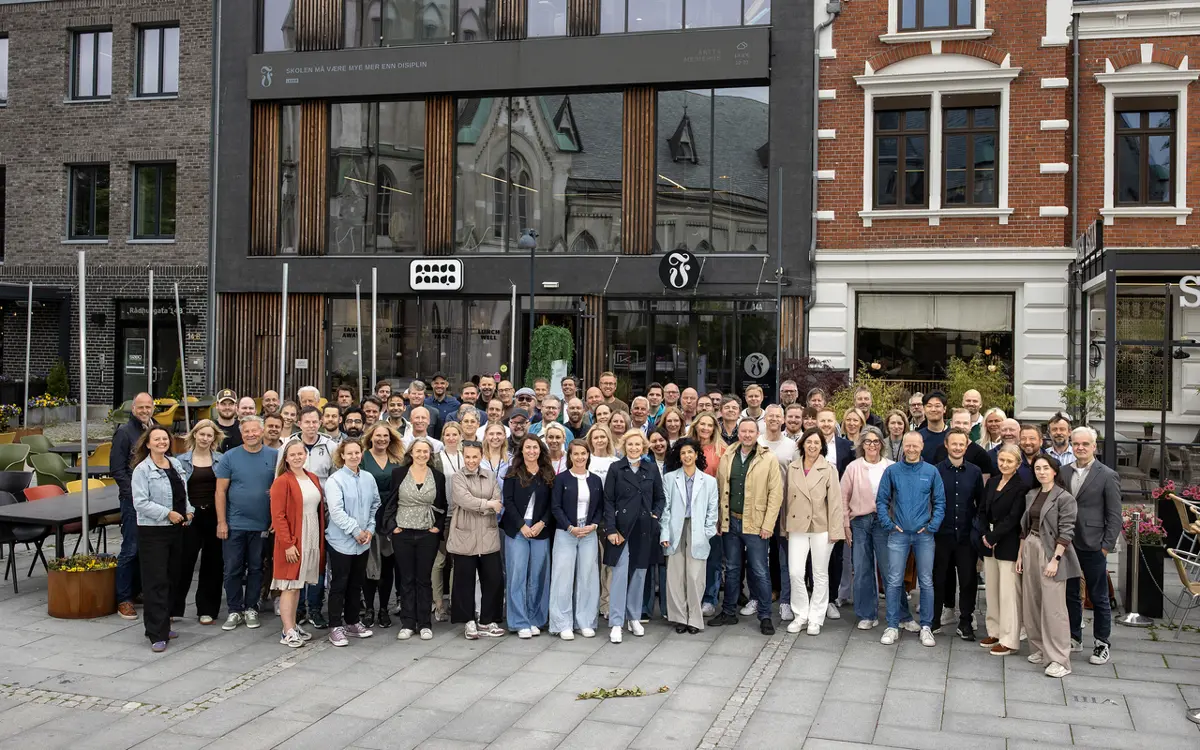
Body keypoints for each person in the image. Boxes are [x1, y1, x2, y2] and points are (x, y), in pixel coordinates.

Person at [709, 419, 783, 635]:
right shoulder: (728, 455)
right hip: (731, 521)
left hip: (756, 523)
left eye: (751, 431)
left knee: (759, 570)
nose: (747, 435)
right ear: (738, 433)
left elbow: (775, 494)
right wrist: (719, 520)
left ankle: (765, 615)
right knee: (731, 569)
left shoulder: (768, 458)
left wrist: (768, 524)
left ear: (757, 433)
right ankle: (729, 612)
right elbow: (720, 487)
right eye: (744, 431)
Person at [876, 431, 945, 647]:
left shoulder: (931, 471)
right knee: (894, 580)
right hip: (898, 534)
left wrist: (932, 526)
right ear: (903, 446)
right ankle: (892, 625)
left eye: (916, 445)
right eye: (908, 446)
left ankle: (926, 626)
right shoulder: (892, 471)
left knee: (926, 581)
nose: (912, 449)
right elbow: (881, 501)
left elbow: (940, 502)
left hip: (924, 535)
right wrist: (888, 524)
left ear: (922, 446)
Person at [1060, 426, 1121, 665]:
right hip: (1067, 543)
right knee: (1071, 594)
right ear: (1071, 445)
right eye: (1076, 444)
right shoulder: (1063, 472)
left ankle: (1102, 643)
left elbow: (1115, 515)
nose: (1081, 448)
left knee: (1099, 596)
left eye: (1085, 444)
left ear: (1094, 447)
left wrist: (1106, 546)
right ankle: (1075, 637)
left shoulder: (1107, 475)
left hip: (1094, 545)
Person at [1018, 455, 1082, 678]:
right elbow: (1024, 529)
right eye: (1037, 468)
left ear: (1055, 471)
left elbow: (1066, 532)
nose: (1042, 472)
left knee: (1054, 607)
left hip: (1051, 551)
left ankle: (1059, 659)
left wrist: (1055, 559)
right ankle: (1039, 648)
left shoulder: (1064, 498)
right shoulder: (1032, 495)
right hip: (1031, 547)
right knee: (1032, 601)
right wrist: (1020, 556)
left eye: (1046, 468)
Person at [130, 425, 192, 652]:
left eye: (164, 439)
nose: (161, 442)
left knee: (171, 578)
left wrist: (189, 509)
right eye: (156, 439)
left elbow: (183, 494)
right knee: (155, 582)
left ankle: (164, 625)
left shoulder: (175, 464)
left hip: (176, 529)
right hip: (153, 531)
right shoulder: (142, 470)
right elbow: (140, 503)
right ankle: (156, 633)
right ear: (147, 443)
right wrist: (167, 513)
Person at [277, 406, 339, 628]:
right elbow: (278, 477)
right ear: (299, 423)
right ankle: (297, 612)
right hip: (295, 514)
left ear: (320, 422)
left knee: (317, 562)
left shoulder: (331, 446)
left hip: (320, 512)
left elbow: (335, 479)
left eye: (315, 421)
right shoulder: (288, 445)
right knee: (295, 566)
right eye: (307, 422)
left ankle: (314, 607)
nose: (311, 426)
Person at [215, 416, 278, 631]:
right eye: (246, 431)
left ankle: (251, 608)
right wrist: (222, 522)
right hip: (234, 524)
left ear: (262, 431)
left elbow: (281, 488)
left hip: (262, 525)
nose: (251, 434)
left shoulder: (275, 456)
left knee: (257, 568)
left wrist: (276, 519)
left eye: (254, 430)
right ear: (241, 434)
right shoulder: (230, 457)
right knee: (232, 568)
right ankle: (234, 609)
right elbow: (220, 491)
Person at [384, 437, 449, 641]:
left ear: (430, 455)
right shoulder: (399, 473)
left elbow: (442, 504)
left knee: (424, 579)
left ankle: (424, 623)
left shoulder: (438, 476)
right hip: (402, 532)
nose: (422, 455)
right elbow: (390, 501)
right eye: (418, 451)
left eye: (426, 451)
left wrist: (437, 527)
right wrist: (392, 527)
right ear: (411, 453)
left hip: (426, 533)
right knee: (406, 579)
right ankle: (407, 623)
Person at [603, 430, 665, 643]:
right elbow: (608, 501)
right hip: (622, 529)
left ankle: (634, 617)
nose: (634, 448)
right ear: (623, 446)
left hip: (644, 528)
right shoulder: (615, 469)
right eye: (630, 445)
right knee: (620, 575)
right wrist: (610, 530)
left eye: (638, 445)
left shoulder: (651, 468)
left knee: (639, 575)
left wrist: (655, 515)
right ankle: (617, 622)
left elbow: (660, 497)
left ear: (644, 447)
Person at [840, 425, 904, 630]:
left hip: (885, 523)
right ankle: (867, 614)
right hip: (859, 522)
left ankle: (902, 615)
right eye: (868, 442)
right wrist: (845, 525)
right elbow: (843, 498)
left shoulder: (891, 467)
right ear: (862, 445)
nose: (872, 445)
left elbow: (899, 497)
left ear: (881, 445)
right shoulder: (853, 467)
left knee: (890, 569)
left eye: (876, 441)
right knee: (861, 569)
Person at [785, 427, 845, 636]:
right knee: (795, 572)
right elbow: (786, 500)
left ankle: (816, 618)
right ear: (802, 444)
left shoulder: (829, 469)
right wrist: (786, 527)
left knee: (820, 574)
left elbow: (836, 503)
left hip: (821, 527)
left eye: (816, 443)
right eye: (808, 442)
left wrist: (836, 530)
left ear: (822, 447)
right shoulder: (792, 468)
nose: (812, 446)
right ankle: (800, 613)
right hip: (797, 526)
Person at [323, 440, 380, 647]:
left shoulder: (368, 478)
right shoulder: (335, 480)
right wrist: (355, 530)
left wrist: (370, 530)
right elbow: (336, 511)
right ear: (343, 455)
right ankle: (335, 626)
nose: (354, 456)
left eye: (357, 452)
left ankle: (352, 621)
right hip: (341, 542)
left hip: (363, 542)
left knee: (357, 583)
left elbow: (375, 504)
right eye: (350, 453)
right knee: (339, 584)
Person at [448, 440, 507, 640]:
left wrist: (484, 505)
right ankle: (468, 621)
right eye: (468, 457)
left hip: (488, 534)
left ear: (481, 456)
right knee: (464, 580)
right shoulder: (458, 477)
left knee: (493, 578)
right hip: (465, 535)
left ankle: (487, 619)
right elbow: (463, 500)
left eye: (475, 456)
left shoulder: (490, 475)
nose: (471, 461)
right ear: (463, 457)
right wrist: (487, 504)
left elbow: (498, 502)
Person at [660, 437, 718, 634]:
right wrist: (664, 532)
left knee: (695, 576)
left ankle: (694, 618)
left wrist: (708, 532)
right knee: (675, 575)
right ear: (679, 455)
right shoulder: (669, 478)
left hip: (698, 530)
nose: (686, 456)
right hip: (676, 529)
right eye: (683, 453)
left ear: (696, 455)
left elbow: (712, 510)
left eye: (690, 452)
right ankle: (679, 617)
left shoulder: (709, 481)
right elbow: (665, 508)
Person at [270, 440, 324, 648]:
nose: (297, 457)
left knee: (298, 584)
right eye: (292, 455)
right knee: (289, 585)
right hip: (293, 537)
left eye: (300, 453)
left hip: (310, 533)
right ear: (286, 458)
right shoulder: (282, 481)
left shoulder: (312, 478)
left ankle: (292, 624)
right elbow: (278, 515)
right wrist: (288, 544)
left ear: (305, 455)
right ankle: (287, 630)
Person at [932, 428, 985, 641]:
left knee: (968, 580)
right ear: (946, 445)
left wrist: (976, 529)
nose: (957, 447)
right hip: (941, 535)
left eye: (961, 444)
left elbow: (981, 504)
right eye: (953, 444)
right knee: (939, 578)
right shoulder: (935, 471)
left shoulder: (974, 472)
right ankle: (934, 620)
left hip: (965, 536)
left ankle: (965, 621)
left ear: (966, 446)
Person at [502, 435, 555, 639]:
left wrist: (542, 523)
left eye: (535, 447)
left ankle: (536, 618)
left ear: (540, 450)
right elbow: (508, 501)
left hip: (541, 530)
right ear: (521, 450)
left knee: (538, 575)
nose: (531, 451)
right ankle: (519, 621)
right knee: (517, 576)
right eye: (528, 447)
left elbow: (553, 503)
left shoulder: (548, 473)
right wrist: (522, 525)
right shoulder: (513, 473)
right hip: (517, 531)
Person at [550, 440, 605, 639]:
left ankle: (585, 621)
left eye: (584, 453)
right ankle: (562, 623)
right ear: (570, 456)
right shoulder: (561, 479)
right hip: (566, 533)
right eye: (576, 454)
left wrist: (594, 525)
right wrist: (569, 527)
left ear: (588, 455)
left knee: (588, 577)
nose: (580, 457)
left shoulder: (596, 480)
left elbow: (600, 506)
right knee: (562, 578)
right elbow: (555, 506)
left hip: (589, 532)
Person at [978, 444, 1027, 655]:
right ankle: (995, 630)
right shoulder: (993, 482)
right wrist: (984, 534)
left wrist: (994, 536)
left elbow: (1014, 517)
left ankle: (1009, 638)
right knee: (992, 590)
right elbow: (981, 510)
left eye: (1009, 461)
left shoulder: (1021, 486)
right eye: (1001, 460)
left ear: (1018, 463)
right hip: (989, 544)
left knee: (1008, 594)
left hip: (1008, 543)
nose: (1004, 464)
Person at [174, 420, 225, 625]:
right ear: (194, 435)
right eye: (201, 434)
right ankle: (175, 607)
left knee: (213, 564)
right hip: (191, 516)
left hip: (214, 514)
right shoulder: (181, 460)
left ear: (214, 438)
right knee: (183, 562)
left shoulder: (221, 460)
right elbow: (177, 490)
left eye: (209, 435)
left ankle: (207, 609)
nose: (205, 438)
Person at [113, 391, 154, 620]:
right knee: (130, 548)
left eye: (148, 407)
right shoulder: (123, 432)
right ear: (133, 408)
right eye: (141, 407)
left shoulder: (155, 428)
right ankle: (123, 598)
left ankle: (137, 591)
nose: (145, 411)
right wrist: (136, 495)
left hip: (154, 501)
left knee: (145, 548)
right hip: (133, 502)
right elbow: (118, 470)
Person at [758, 404, 796, 621]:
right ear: (765, 419)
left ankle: (785, 602)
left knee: (784, 558)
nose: (773, 419)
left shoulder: (792, 446)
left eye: (777, 416)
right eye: (770, 416)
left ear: (783, 420)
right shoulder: (756, 442)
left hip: (783, 508)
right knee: (759, 556)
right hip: (759, 507)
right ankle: (758, 597)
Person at [917, 391, 949, 463]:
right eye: (929, 406)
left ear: (944, 409)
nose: (933, 409)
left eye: (937, 406)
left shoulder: (952, 436)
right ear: (924, 409)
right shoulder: (918, 437)